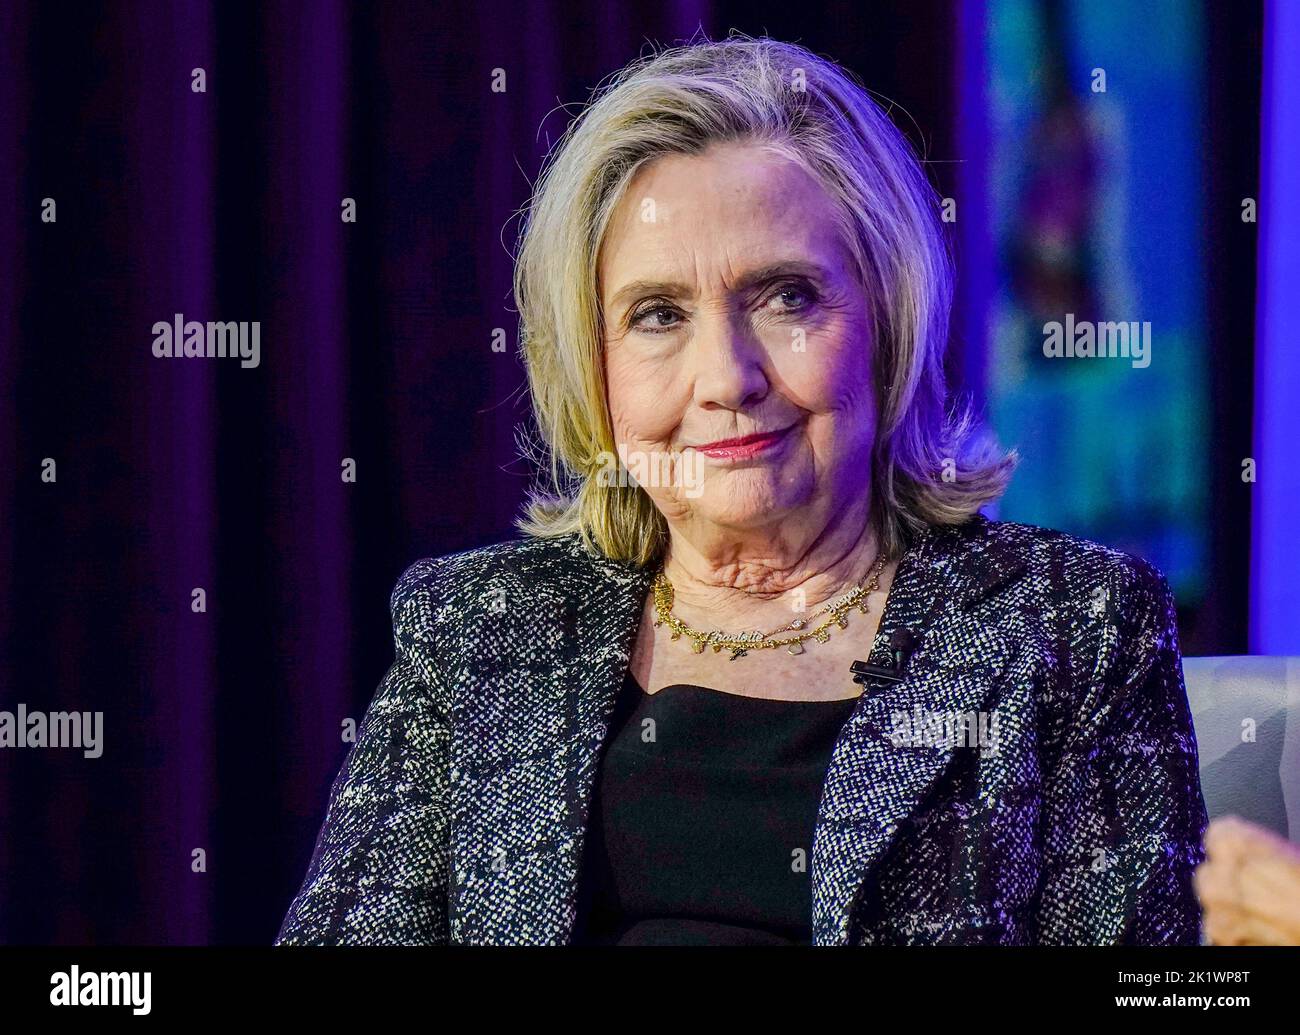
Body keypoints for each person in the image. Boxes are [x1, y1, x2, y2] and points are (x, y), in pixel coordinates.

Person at [275, 33, 1207, 946]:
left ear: (889, 317)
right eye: (658, 315)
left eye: (786, 297)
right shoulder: (477, 630)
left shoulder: (1076, 626)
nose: (727, 376)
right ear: (592, 369)